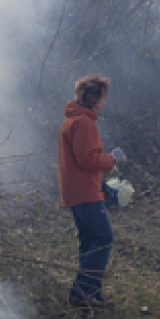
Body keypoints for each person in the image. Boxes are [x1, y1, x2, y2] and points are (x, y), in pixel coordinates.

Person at [58, 74, 126, 307]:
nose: (104, 103)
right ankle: (83, 292)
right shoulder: (84, 123)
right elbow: (87, 159)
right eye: (102, 98)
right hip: (85, 191)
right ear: (94, 99)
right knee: (104, 237)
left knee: (89, 241)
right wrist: (110, 160)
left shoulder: (73, 120)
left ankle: (91, 293)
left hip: (76, 191)